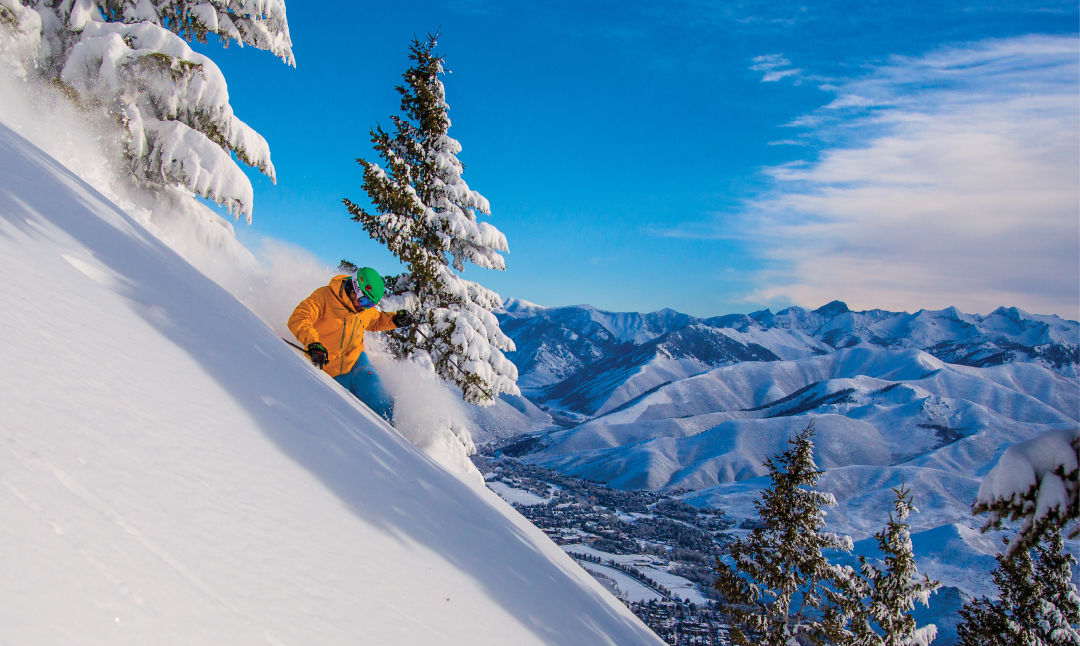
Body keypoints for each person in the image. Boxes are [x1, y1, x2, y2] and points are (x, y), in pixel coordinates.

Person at [288, 267, 415, 421]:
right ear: (354, 288)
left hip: (356, 360)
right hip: (328, 367)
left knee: (378, 399)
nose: (365, 307)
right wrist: (314, 344)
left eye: (370, 304)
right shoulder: (324, 297)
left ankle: (393, 433)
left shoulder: (362, 310)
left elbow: (376, 320)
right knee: (345, 414)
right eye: (364, 301)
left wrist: (395, 319)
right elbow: (299, 318)